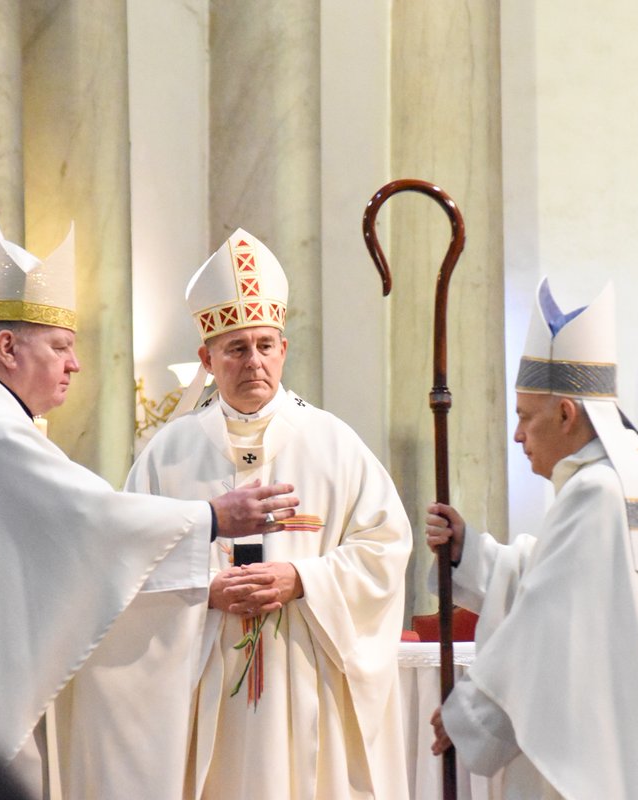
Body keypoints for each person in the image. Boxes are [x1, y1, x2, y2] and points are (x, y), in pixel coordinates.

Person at [0, 217, 298, 797]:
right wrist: (211, 518)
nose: (74, 365)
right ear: (7, 347)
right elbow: (90, 524)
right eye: (61, 347)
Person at [120, 229, 412, 800]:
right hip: (203, 678)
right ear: (207, 359)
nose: (254, 361)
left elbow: (385, 547)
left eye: (265, 344)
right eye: (236, 348)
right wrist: (205, 590)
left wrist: (301, 577)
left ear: (283, 349)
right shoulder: (167, 452)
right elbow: (130, 562)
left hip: (305, 669)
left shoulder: (334, 442)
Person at [425, 279, 638, 799]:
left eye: (524, 416)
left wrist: (469, 716)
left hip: (608, 761)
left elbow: (545, 633)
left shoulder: (597, 494)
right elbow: (565, 589)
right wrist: (469, 553)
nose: (518, 435)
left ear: (566, 414)